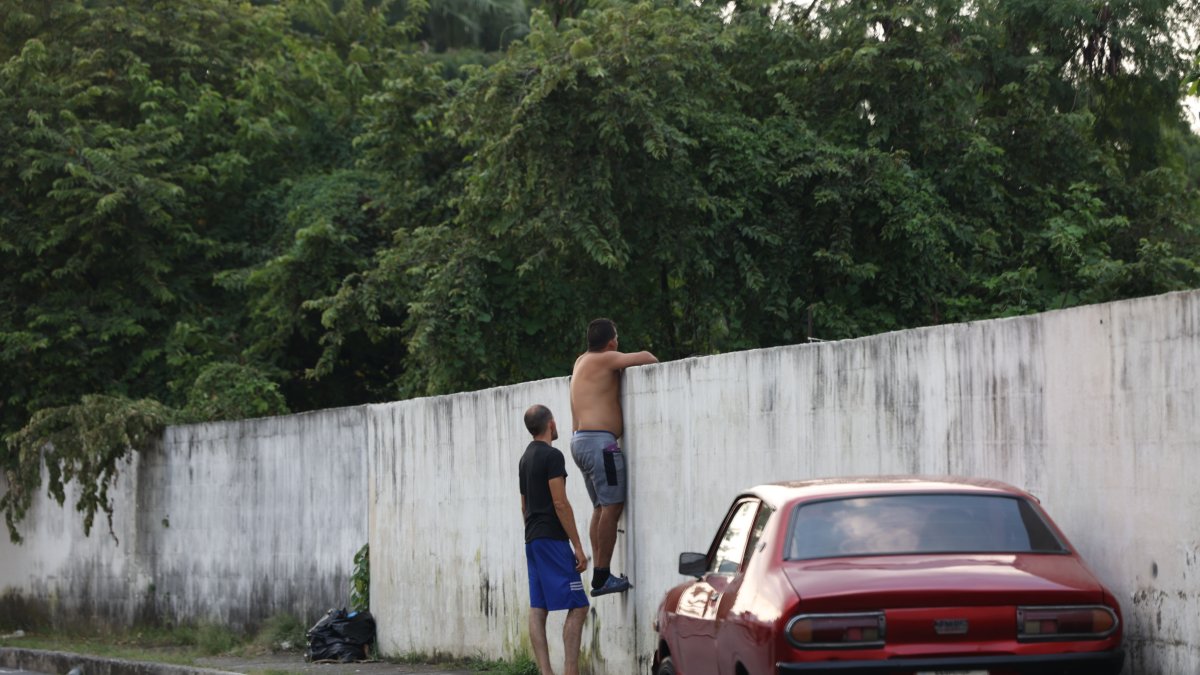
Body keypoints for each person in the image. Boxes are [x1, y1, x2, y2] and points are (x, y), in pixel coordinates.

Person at [569, 318, 658, 596]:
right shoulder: (605, 359)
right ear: (611, 342)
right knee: (612, 507)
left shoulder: (581, 360)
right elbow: (648, 358)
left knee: (599, 507)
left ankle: (600, 572)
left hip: (580, 442)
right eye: (616, 338)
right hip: (600, 444)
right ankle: (603, 576)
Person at [519, 404, 589, 675]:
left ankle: (546, 672)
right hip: (551, 539)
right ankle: (571, 671)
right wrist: (578, 547)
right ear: (550, 424)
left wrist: (533, 534)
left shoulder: (525, 459)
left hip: (532, 539)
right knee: (579, 605)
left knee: (539, 606)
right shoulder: (553, 456)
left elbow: (524, 506)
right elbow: (560, 503)